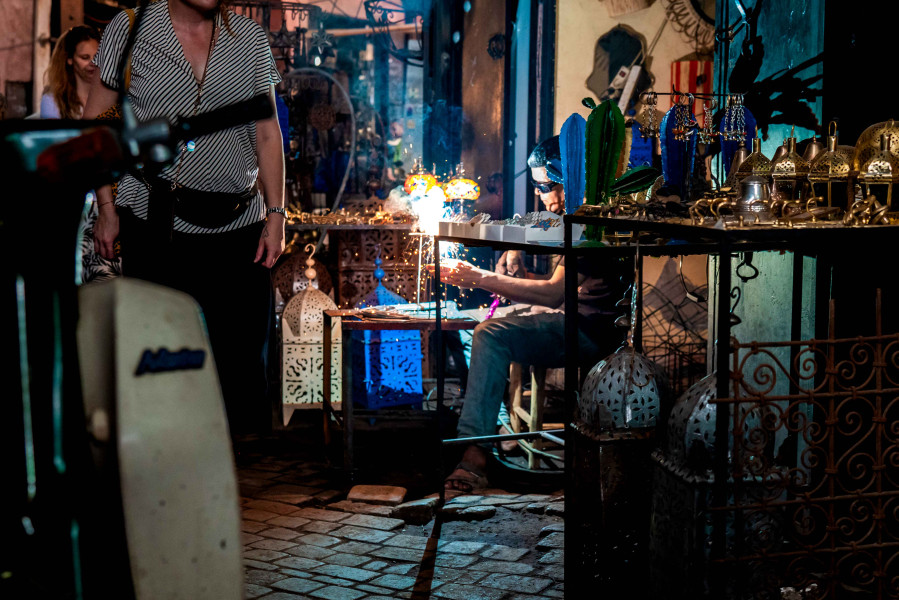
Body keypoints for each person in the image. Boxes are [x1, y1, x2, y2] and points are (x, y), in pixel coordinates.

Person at [83, 0, 285, 435]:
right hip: (157, 224)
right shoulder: (130, 29)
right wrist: (106, 208)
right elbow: (94, 125)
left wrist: (276, 214)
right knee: (162, 356)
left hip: (240, 226)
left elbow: (268, 133)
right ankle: (166, 459)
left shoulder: (249, 39)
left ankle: (224, 463)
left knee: (240, 364)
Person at [431, 136, 632, 496]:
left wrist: (479, 277)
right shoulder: (578, 216)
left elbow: (555, 294)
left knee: (489, 334)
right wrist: (516, 263)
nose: (541, 197)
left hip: (591, 332)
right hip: (579, 316)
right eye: (537, 188)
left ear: (569, 179)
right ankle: (496, 427)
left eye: (546, 187)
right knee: (474, 325)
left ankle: (475, 455)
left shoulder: (592, 219)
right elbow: (562, 284)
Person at [41, 25, 101, 119]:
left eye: (98, 57)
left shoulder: (114, 96)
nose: (94, 63)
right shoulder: (53, 100)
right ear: (70, 59)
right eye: (85, 57)